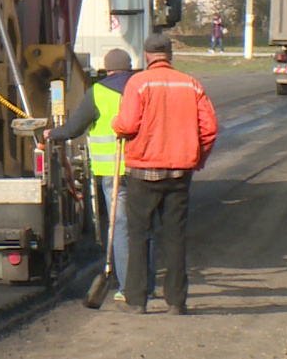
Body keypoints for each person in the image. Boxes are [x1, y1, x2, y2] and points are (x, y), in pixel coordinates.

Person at [111, 33, 218, 315]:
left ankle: (136, 301)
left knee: (139, 235)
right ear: (170, 55)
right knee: (175, 236)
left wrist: (116, 125)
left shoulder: (138, 83)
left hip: (142, 172)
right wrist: (196, 159)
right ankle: (177, 302)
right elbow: (209, 129)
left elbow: (127, 124)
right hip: (179, 173)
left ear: (146, 56)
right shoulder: (191, 84)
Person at [46, 48, 154, 303]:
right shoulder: (143, 88)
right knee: (146, 226)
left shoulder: (98, 92)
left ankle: (128, 288)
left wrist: (53, 134)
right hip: (144, 168)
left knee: (120, 227)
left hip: (113, 172)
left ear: (107, 69)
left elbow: (74, 128)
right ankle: (147, 284)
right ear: (130, 67)